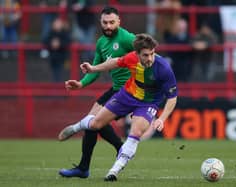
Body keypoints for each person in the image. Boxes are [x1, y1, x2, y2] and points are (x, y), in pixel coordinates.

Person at [58, 33, 178, 181]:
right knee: (95, 124)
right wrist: (93, 68)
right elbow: (115, 62)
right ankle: (78, 126)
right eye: (146, 55)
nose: (150, 58)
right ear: (137, 54)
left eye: (152, 54)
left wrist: (162, 119)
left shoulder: (163, 68)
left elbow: (172, 97)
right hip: (127, 95)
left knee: (136, 132)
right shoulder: (131, 58)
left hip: (148, 103)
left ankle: (113, 171)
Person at [58, 6, 136, 178]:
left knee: (93, 122)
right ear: (100, 22)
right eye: (105, 22)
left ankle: (87, 165)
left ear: (119, 22)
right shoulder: (101, 42)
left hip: (130, 90)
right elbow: (95, 70)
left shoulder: (127, 38)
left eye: (112, 22)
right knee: (91, 122)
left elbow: (148, 54)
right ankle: (86, 167)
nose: (108, 26)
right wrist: (80, 83)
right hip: (116, 88)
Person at [43, 17, 71, 82]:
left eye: (59, 24)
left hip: (62, 57)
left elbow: (68, 42)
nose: (57, 25)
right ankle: (55, 85)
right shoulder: (51, 33)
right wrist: (51, 43)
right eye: (56, 24)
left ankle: (59, 85)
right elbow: (44, 41)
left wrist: (59, 44)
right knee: (54, 73)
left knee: (61, 73)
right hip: (52, 57)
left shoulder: (64, 33)